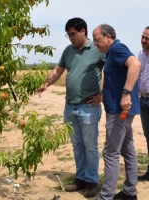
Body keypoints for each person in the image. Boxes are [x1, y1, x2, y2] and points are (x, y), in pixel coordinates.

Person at [37, 17, 105, 198]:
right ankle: (80, 178)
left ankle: (92, 181)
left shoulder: (97, 49)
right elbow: (58, 70)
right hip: (70, 106)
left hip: (89, 106)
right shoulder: (68, 51)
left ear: (83, 31)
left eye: (73, 34)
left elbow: (114, 70)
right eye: (68, 35)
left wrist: (103, 94)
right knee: (76, 145)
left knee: (90, 145)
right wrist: (47, 83)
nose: (70, 38)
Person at [93, 24, 141, 200]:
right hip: (121, 110)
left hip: (119, 111)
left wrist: (126, 93)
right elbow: (116, 78)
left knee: (110, 152)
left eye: (97, 39)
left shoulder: (118, 48)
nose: (95, 43)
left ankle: (106, 197)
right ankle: (130, 192)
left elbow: (135, 64)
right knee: (128, 150)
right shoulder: (111, 53)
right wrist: (103, 94)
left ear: (108, 37)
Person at [137, 26, 149, 181]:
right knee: (148, 137)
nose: (143, 40)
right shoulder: (140, 54)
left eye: (147, 38)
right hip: (143, 100)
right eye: (143, 37)